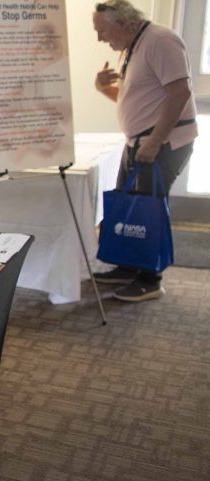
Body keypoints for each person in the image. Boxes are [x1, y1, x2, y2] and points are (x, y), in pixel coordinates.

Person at [92, 0, 197, 302]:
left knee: (147, 209)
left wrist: (154, 142)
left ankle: (150, 279)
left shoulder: (161, 41)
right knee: (130, 206)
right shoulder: (132, 47)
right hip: (139, 142)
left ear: (122, 24)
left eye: (102, 31)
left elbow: (180, 93)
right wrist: (102, 88)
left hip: (162, 143)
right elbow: (139, 102)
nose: (100, 38)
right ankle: (128, 266)